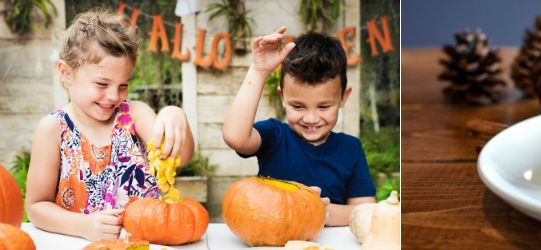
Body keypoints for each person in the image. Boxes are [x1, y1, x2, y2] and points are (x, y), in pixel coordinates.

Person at [26, 10, 194, 241]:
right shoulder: (53, 129)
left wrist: (176, 115)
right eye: (102, 83)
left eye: (123, 85)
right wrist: (84, 226)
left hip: (144, 243)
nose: (114, 96)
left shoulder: (135, 115)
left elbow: (181, 157)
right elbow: (36, 207)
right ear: (66, 73)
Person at [222, 27, 376, 226]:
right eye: (298, 106)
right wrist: (259, 71)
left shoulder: (351, 148)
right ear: (282, 98)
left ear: (343, 98)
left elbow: (367, 211)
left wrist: (324, 212)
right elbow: (235, 137)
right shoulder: (274, 136)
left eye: (323, 106)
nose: (311, 118)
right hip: (274, 240)